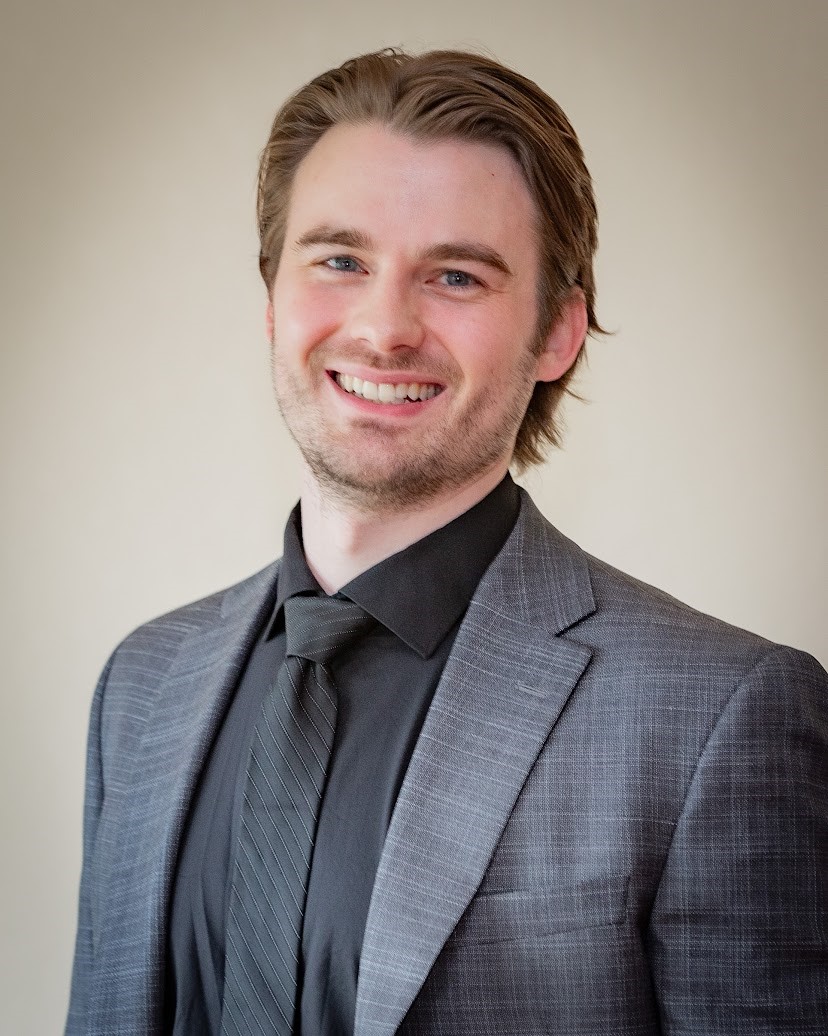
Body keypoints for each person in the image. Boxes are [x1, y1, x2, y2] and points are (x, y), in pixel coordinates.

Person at [65, 48, 827, 1036]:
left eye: (456, 275)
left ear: (557, 332)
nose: (384, 328)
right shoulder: (141, 687)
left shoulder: (724, 716)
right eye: (340, 261)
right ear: (272, 299)